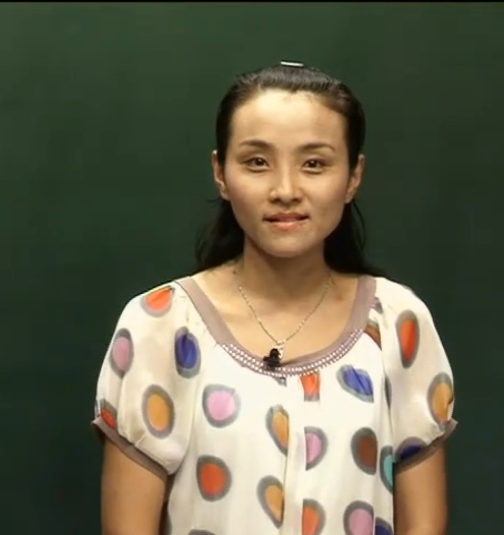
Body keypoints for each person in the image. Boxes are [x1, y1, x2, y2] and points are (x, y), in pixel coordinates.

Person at [92, 61, 457, 535]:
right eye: (257, 162)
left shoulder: (396, 322)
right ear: (220, 172)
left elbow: (423, 525)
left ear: (353, 176)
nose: (285, 191)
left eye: (314, 164)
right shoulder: (161, 324)